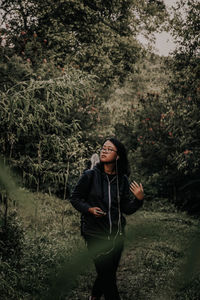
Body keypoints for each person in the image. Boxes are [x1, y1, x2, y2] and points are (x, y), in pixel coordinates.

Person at [70, 137, 144, 300]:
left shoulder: (122, 180)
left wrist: (138, 200)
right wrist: (89, 209)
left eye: (109, 149)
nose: (104, 151)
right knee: (109, 280)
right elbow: (75, 198)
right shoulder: (90, 176)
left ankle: (94, 296)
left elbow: (125, 208)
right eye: (103, 148)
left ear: (118, 156)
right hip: (95, 234)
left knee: (107, 273)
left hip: (117, 236)